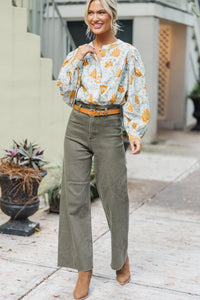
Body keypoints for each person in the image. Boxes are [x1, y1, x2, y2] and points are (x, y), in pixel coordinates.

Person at [57, 0, 150, 299]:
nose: (95, 17)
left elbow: (137, 92)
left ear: (112, 16)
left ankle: (120, 258)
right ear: (86, 17)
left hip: (110, 125)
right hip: (78, 125)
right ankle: (84, 270)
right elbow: (65, 91)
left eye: (101, 12)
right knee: (74, 198)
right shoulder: (79, 53)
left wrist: (135, 131)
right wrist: (77, 57)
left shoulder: (127, 53)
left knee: (114, 195)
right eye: (90, 12)